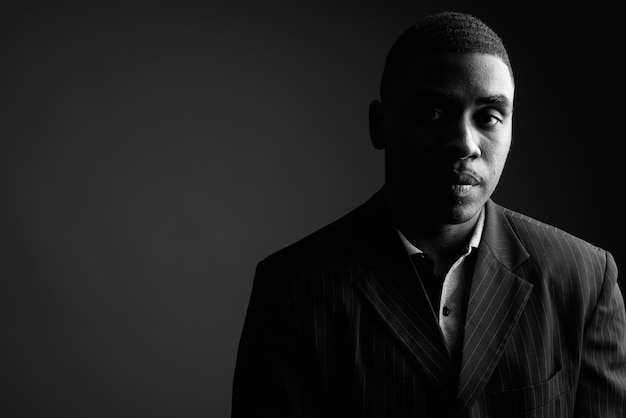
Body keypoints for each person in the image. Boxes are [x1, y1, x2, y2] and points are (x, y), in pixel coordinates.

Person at [231, 11, 626, 418]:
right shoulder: (293, 290)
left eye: (489, 117)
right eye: (433, 113)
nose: (464, 144)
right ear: (379, 125)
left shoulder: (585, 280)